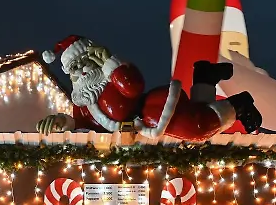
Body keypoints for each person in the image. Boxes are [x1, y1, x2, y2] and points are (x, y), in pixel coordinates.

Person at [37, 35, 262, 141]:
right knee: (198, 115)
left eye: (84, 61)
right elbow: (85, 126)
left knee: (198, 126)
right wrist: (64, 122)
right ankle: (204, 76)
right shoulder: (83, 100)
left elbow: (132, 88)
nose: (80, 71)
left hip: (149, 114)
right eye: (73, 68)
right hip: (134, 133)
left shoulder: (111, 73)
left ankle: (239, 105)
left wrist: (110, 63)